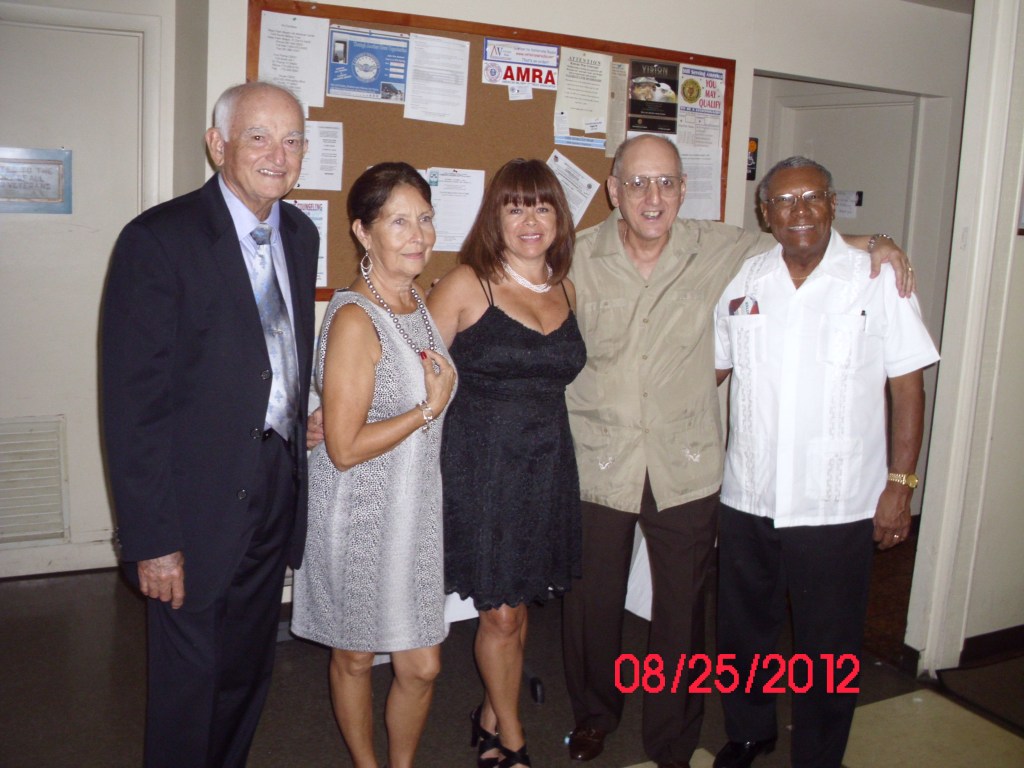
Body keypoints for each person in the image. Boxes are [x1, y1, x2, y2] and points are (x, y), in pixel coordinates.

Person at [561, 135, 914, 768]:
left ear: (683, 190)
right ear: (613, 190)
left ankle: (674, 737)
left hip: (695, 466)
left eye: (666, 182)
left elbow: (804, 235)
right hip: (608, 460)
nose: (652, 196)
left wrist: (878, 241)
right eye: (637, 182)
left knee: (685, 618)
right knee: (595, 606)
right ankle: (598, 715)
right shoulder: (577, 258)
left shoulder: (726, 251)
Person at [101, 81, 319, 767]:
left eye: (292, 139)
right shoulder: (158, 240)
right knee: (187, 687)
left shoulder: (301, 234)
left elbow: (268, 356)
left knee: (246, 672)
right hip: (190, 508)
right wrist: (153, 540)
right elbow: (132, 405)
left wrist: (297, 413)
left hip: (274, 485)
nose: (278, 154)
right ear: (218, 144)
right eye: (259, 137)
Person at [711, 156, 938, 768]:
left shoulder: (877, 279)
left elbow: (908, 387)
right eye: (785, 201)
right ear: (765, 213)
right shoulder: (745, 280)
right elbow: (712, 370)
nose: (800, 211)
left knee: (828, 649)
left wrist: (901, 485)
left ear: (834, 205)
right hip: (749, 494)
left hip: (836, 504)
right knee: (742, 635)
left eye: (813, 197)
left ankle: (819, 756)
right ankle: (749, 732)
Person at [291, 162, 457, 768]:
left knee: (422, 664)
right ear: (363, 232)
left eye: (425, 219)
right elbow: (342, 447)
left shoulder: (416, 299)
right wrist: (425, 410)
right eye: (399, 221)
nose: (418, 235)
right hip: (358, 516)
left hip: (413, 515)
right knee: (357, 656)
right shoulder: (356, 318)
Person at [428, 159, 587, 768]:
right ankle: (511, 739)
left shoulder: (566, 287)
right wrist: (335, 414)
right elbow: (410, 371)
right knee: (499, 615)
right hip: (483, 471)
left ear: (559, 217)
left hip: (547, 468)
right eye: (515, 207)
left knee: (518, 608)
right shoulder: (467, 284)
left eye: (541, 206)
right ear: (494, 216)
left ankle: (491, 714)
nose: (529, 220)